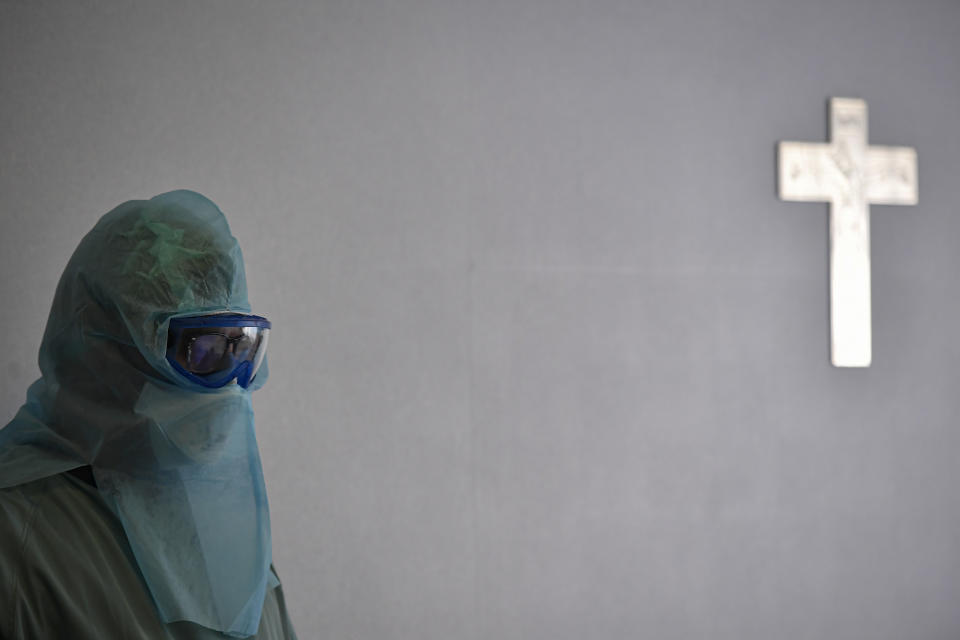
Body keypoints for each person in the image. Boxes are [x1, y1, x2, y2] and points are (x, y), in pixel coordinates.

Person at [0, 191, 297, 639]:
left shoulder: (230, 535)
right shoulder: (16, 538)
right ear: (103, 352)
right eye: (204, 350)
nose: (232, 384)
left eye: (243, 346)